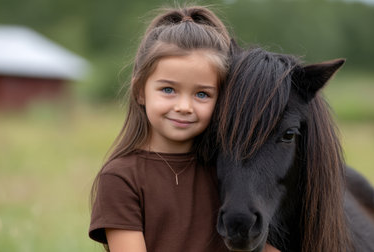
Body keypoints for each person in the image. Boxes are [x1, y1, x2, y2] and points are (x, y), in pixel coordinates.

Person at [89, 5, 280, 252]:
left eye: (202, 94)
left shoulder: (228, 169)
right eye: (168, 90)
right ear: (140, 92)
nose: (184, 106)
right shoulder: (121, 178)